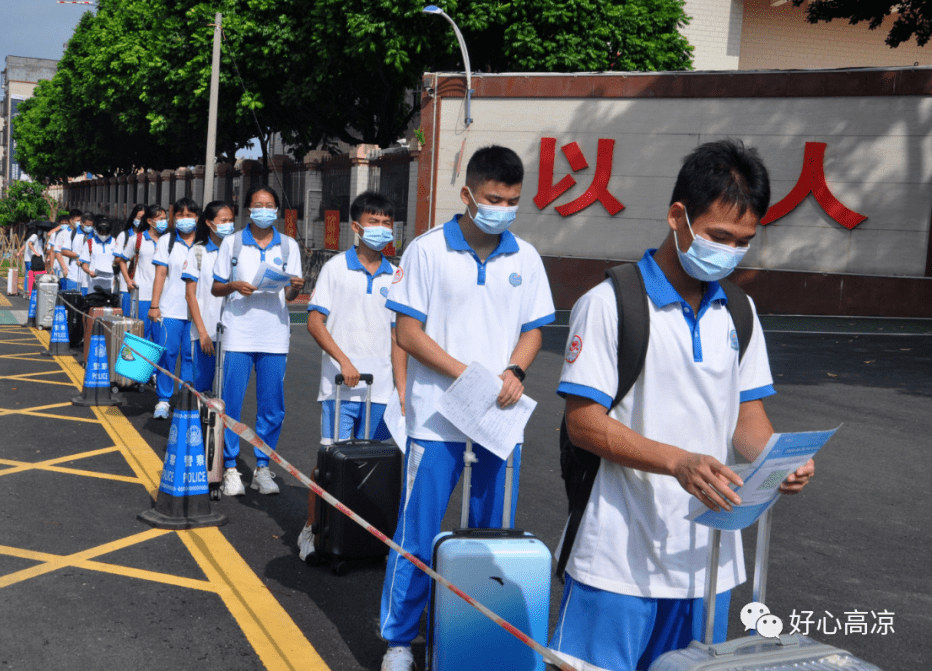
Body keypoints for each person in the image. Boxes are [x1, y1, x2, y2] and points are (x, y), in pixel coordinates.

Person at [547, 140, 816, 671]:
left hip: (708, 564)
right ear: (678, 217)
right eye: (718, 236)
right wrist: (678, 461)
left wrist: (776, 460)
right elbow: (583, 424)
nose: (729, 252)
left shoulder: (739, 310)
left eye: (743, 242)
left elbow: (747, 414)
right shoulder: (609, 304)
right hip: (618, 559)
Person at [378, 146, 556, 671]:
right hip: (437, 418)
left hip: (499, 420)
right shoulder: (428, 251)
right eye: (493, 199)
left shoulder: (526, 257)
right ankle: (398, 640)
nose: (502, 210)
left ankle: (474, 636)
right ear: (468, 195)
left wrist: (515, 372)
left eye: (513, 202)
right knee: (418, 530)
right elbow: (407, 332)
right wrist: (468, 376)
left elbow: (534, 329)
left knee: (488, 538)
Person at [296, 192, 408, 563]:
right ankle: (313, 530)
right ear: (356, 226)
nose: (380, 229)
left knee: (376, 468)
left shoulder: (396, 275)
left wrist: (402, 388)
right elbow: (315, 321)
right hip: (342, 388)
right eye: (373, 222)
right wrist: (344, 361)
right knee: (331, 461)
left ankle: (361, 538)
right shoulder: (335, 269)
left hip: (382, 390)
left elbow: (399, 336)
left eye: (386, 223)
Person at [211, 186, 304, 496]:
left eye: (269, 205)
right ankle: (231, 467)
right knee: (231, 402)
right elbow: (216, 287)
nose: (264, 210)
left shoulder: (289, 246)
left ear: (276, 209)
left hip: (275, 334)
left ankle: (263, 467)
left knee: (272, 406)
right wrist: (234, 285)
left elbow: (290, 296)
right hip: (238, 331)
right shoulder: (232, 243)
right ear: (248, 209)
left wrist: (294, 287)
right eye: (257, 205)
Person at [149, 198, 201, 419]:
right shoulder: (167, 241)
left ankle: (186, 398)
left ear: (198, 218)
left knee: (191, 357)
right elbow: (160, 274)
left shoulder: (205, 242)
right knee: (167, 354)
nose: (185, 219)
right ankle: (163, 399)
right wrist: (154, 304)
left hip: (197, 311)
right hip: (170, 309)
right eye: (180, 215)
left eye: (189, 215)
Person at [184, 201, 235, 396]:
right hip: (206, 333)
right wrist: (203, 333)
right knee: (202, 386)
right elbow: (190, 295)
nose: (228, 224)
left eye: (231, 220)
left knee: (227, 389)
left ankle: (220, 425)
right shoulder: (198, 252)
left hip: (233, 332)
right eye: (223, 220)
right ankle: (198, 424)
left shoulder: (237, 252)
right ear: (209, 223)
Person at [119, 205, 168, 343]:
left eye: (165, 218)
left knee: (161, 339)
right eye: (160, 219)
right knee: (142, 337)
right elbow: (122, 260)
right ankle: (142, 365)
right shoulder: (137, 239)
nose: (163, 222)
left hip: (164, 297)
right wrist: (128, 280)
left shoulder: (169, 241)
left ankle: (156, 365)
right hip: (142, 297)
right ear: (149, 221)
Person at [114, 204, 146, 316]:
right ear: (133, 218)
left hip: (144, 287)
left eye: (143, 217)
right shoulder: (125, 235)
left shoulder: (149, 237)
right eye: (138, 217)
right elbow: (117, 259)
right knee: (127, 316)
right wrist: (132, 256)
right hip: (126, 284)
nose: (141, 221)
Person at [78, 215, 117, 295]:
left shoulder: (115, 243)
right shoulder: (90, 243)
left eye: (106, 233)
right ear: (96, 230)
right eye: (101, 232)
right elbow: (84, 263)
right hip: (94, 284)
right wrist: (89, 272)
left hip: (111, 284)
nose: (103, 235)